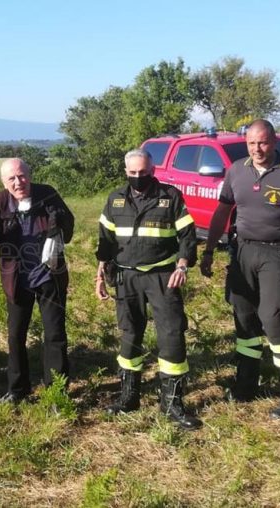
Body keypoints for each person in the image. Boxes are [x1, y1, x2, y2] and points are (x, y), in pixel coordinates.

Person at [201, 119, 280, 422]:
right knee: (244, 320)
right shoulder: (236, 170)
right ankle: (246, 384)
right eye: (251, 143)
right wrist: (208, 250)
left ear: (273, 141)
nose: (257, 149)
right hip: (242, 251)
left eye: (263, 142)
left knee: (272, 321)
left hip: (277, 254)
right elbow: (222, 211)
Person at [95, 149, 202, 430]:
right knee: (130, 333)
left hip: (163, 276)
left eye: (143, 173)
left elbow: (188, 236)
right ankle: (129, 397)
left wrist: (182, 265)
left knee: (171, 333)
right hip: (126, 277)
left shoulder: (170, 197)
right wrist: (100, 273)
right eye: (132, 173)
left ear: (152, 170)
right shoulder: (115, 199)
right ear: (126, 173)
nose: (138, 178)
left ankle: (172, 404)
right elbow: (105, 240)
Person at [0, 158, 74, 402]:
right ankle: (17, 389)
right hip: (17, 279)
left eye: (21, 176)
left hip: (49, 275)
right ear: (3, 182)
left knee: (54, 334)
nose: (18, 182)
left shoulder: (47, 194)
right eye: (11, 178)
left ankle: (56, 391)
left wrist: (58, 221)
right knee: (15, 335)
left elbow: (70, 228)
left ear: (29, 176)